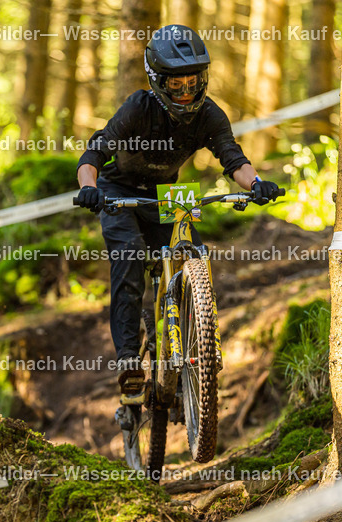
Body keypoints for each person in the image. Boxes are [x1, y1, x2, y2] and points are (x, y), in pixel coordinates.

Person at [75, 24, 281, 395]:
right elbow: (94, 152)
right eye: (176, 85)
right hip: (118, 191)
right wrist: (89, 188)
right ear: (158, 81)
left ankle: (198, 340)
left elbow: (233, 158)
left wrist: (256, 184)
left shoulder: (210, 115)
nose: (186, 93)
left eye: (193, 82)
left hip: (167, 192)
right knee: (131, 254)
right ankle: (128, 359)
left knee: (195, 254)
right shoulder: (138, 108)